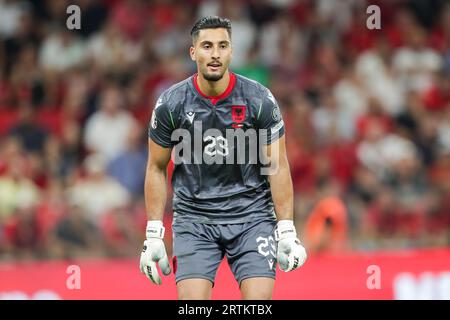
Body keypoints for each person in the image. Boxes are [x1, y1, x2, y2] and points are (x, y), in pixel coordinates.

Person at [139, 16, 307, 300]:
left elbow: (277, 166)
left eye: (222, 46)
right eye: (206, 46)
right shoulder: (170, 104)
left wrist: (286, 228)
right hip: (194, 220)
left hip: (252, 216)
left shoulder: (259, 100)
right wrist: (153, 232)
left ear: (231, 51)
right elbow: (156, 167)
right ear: (193, 52)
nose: (215, 54)